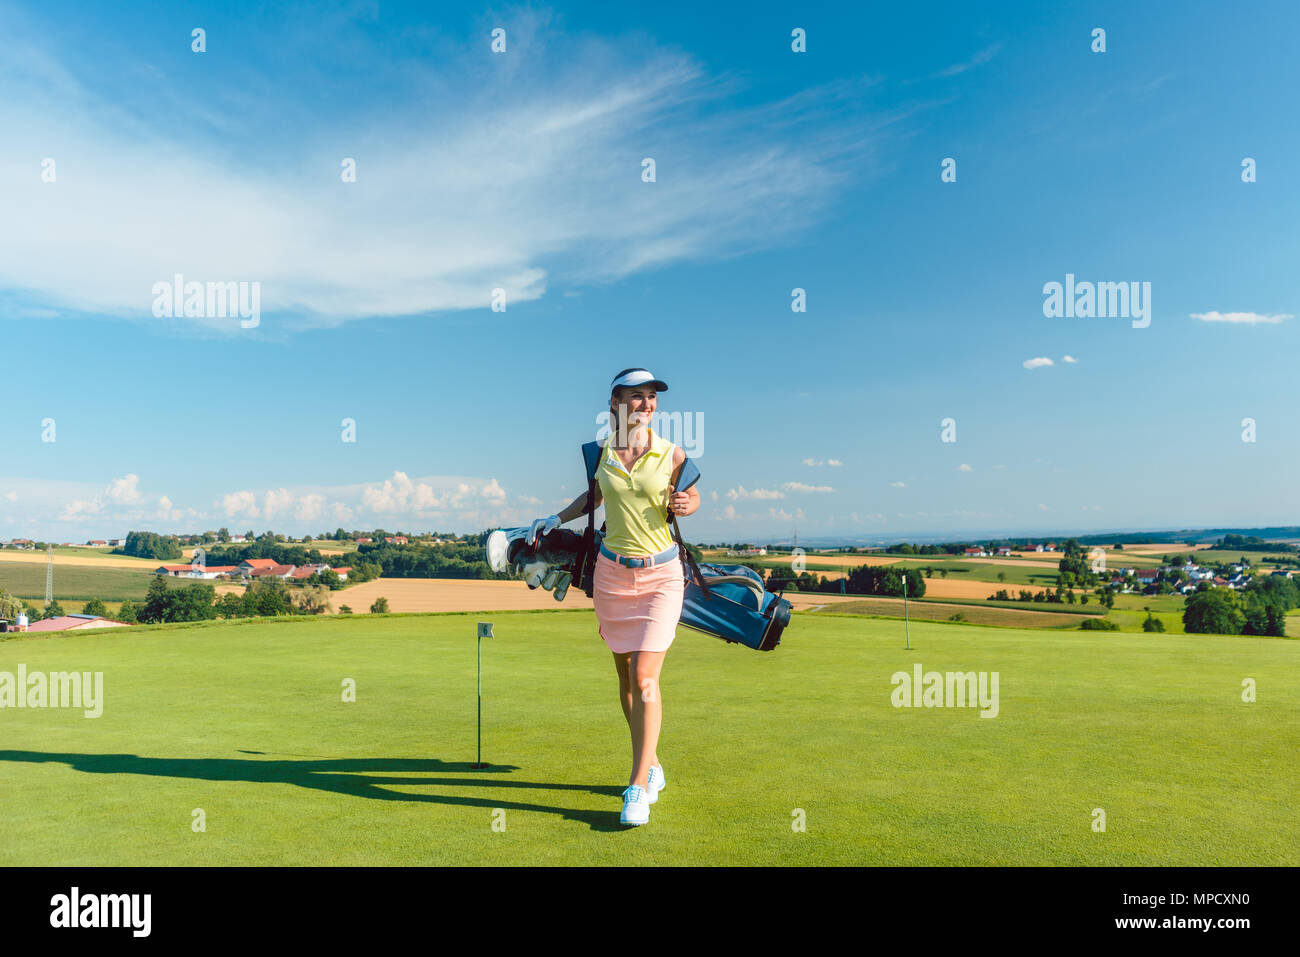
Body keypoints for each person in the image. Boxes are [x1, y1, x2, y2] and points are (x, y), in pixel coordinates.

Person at [526, 368, 699, 826]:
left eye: (651, 398)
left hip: (662, 576)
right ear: (616, 403)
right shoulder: (601, 452)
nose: (646, 405)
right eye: (637, 397)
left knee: (645, 677)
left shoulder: (672, 453)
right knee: (624, 678)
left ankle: (637, 786)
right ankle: (653, 762)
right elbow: (594, 499)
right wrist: (554, 517)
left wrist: (687, 503)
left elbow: (692, 496)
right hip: (612, 578)